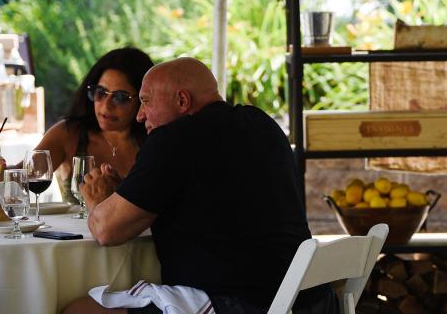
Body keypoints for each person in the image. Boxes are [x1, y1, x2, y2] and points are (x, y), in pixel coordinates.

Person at [62, 57, 334, 314]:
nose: (140, 116)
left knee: (78, 310)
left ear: (182, 100)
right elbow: (212, 199)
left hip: (241, 302)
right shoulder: (263, 125)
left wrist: (98, 200)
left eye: (146, 102)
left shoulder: (172, 140)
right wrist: (126, 195)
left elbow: (105, 231)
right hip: (308, 297)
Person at [34, 47, 154, 203]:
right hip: (70, 229)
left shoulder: (156, 141)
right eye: (101, 92)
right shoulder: (69, 133)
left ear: (143, 100)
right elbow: (23, 175)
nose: (106, 106)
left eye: (120, 97)